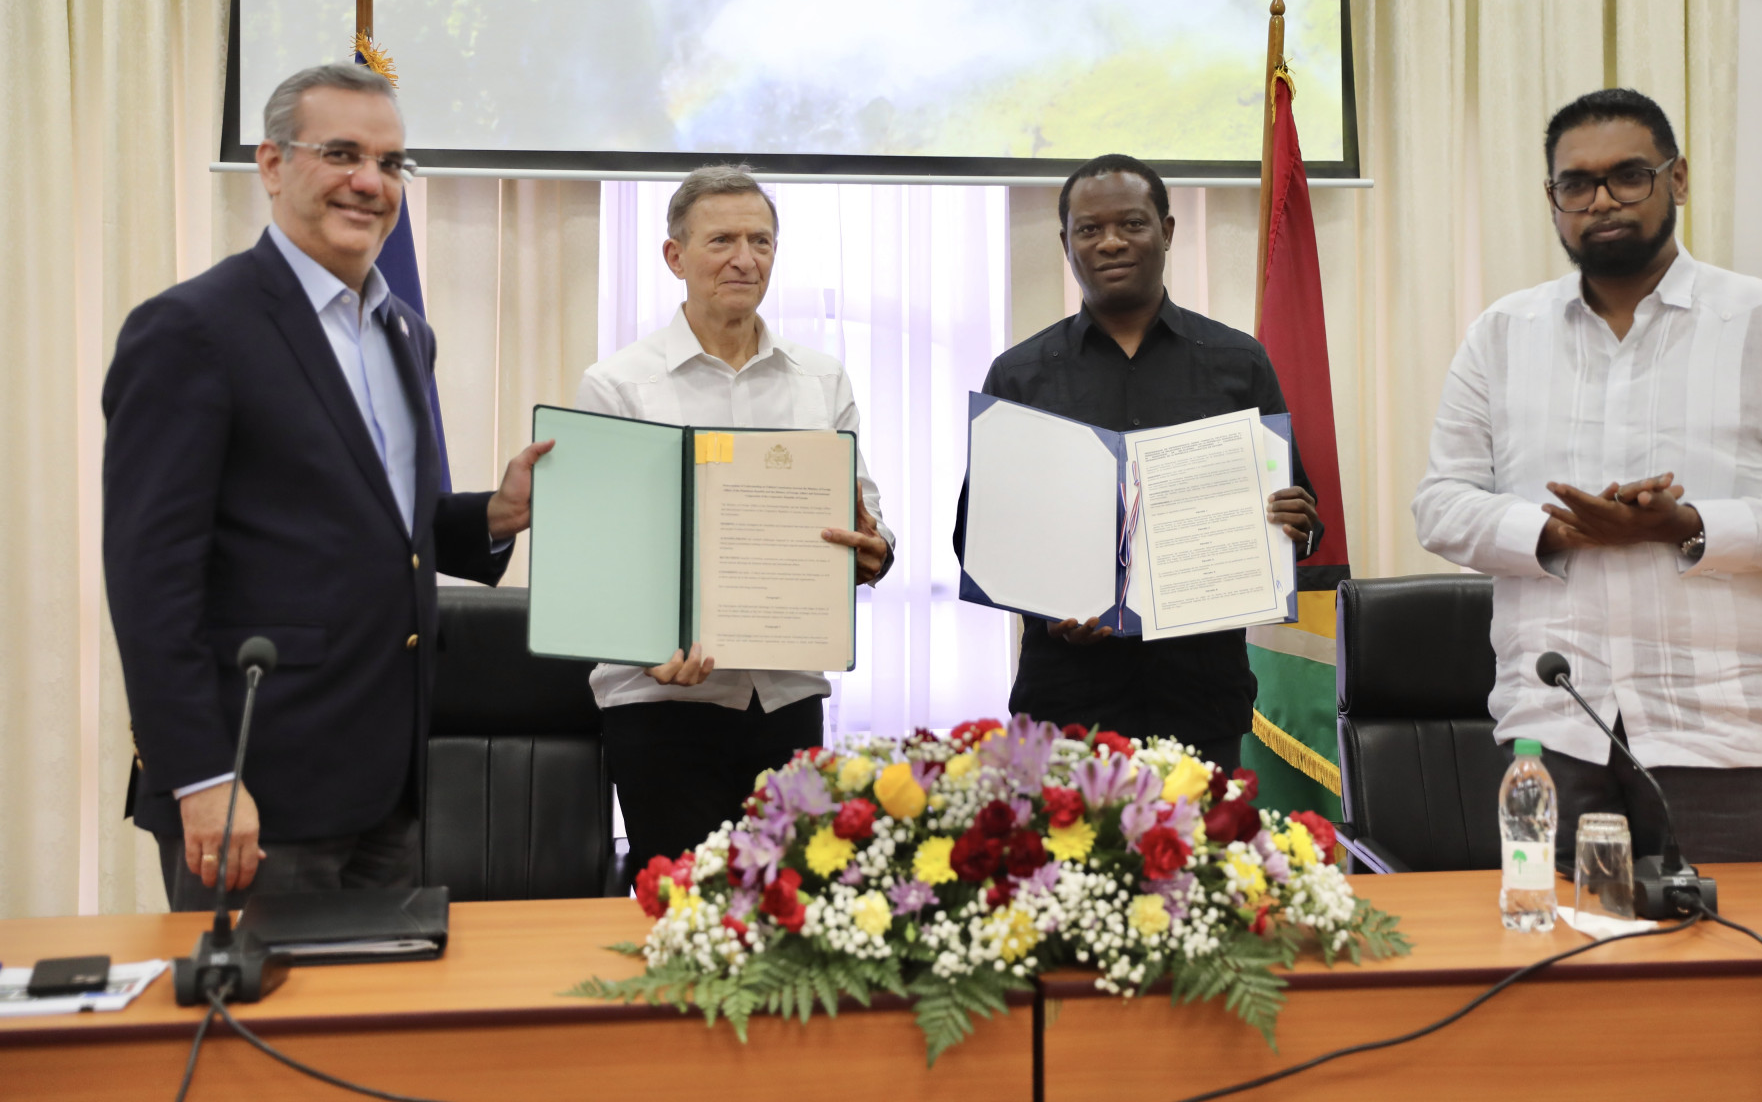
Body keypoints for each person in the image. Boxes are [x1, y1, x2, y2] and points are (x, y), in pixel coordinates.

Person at [103, 63, 550, 911]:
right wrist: (201, 774)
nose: (369, 183)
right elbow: (149, 578)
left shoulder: (404, 331)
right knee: (254, 1003)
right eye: (341, 153)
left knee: (381, 1002)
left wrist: (492, 516)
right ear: (272, 165)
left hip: (389, 784)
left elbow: (380, 524)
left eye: (390, 163)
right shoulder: (192, 330)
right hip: (255, 787)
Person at [1413, 87, 1762, 863]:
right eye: (1576, 184)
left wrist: (1690, 527)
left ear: (1679, 179)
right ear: (1553, 200)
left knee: (1725, 941)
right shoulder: (1502, 335)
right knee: (1551, 937)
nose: (1602, 200)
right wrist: (1555, 532)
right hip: (1552, 726)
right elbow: (1439, 505)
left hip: (1724, 730)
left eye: (1629, 176)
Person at [955, 154, 1321, 771]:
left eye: (1131, 223)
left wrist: (1297, 525)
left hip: (1201, 697)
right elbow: (978, 536)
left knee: (1204, 840)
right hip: (1066, 700)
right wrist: (1047, 607)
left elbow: (1299, 520)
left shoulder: (1238, 363)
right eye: (1089, 229)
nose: (1111, 242)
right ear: (1066, 244)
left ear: (1167, 231)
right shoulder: (1020, 375)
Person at [576, 165, 894, 866]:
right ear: (675, 256)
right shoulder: (619, 385)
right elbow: (597, 554)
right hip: (659, 700)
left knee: (793, 904)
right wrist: (646, 645)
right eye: (721, 240)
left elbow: (863, 514)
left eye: (761, 241)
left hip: (785, 697)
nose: (744, 259)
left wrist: (874, 550)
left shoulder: (820, 380)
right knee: (681, 906)